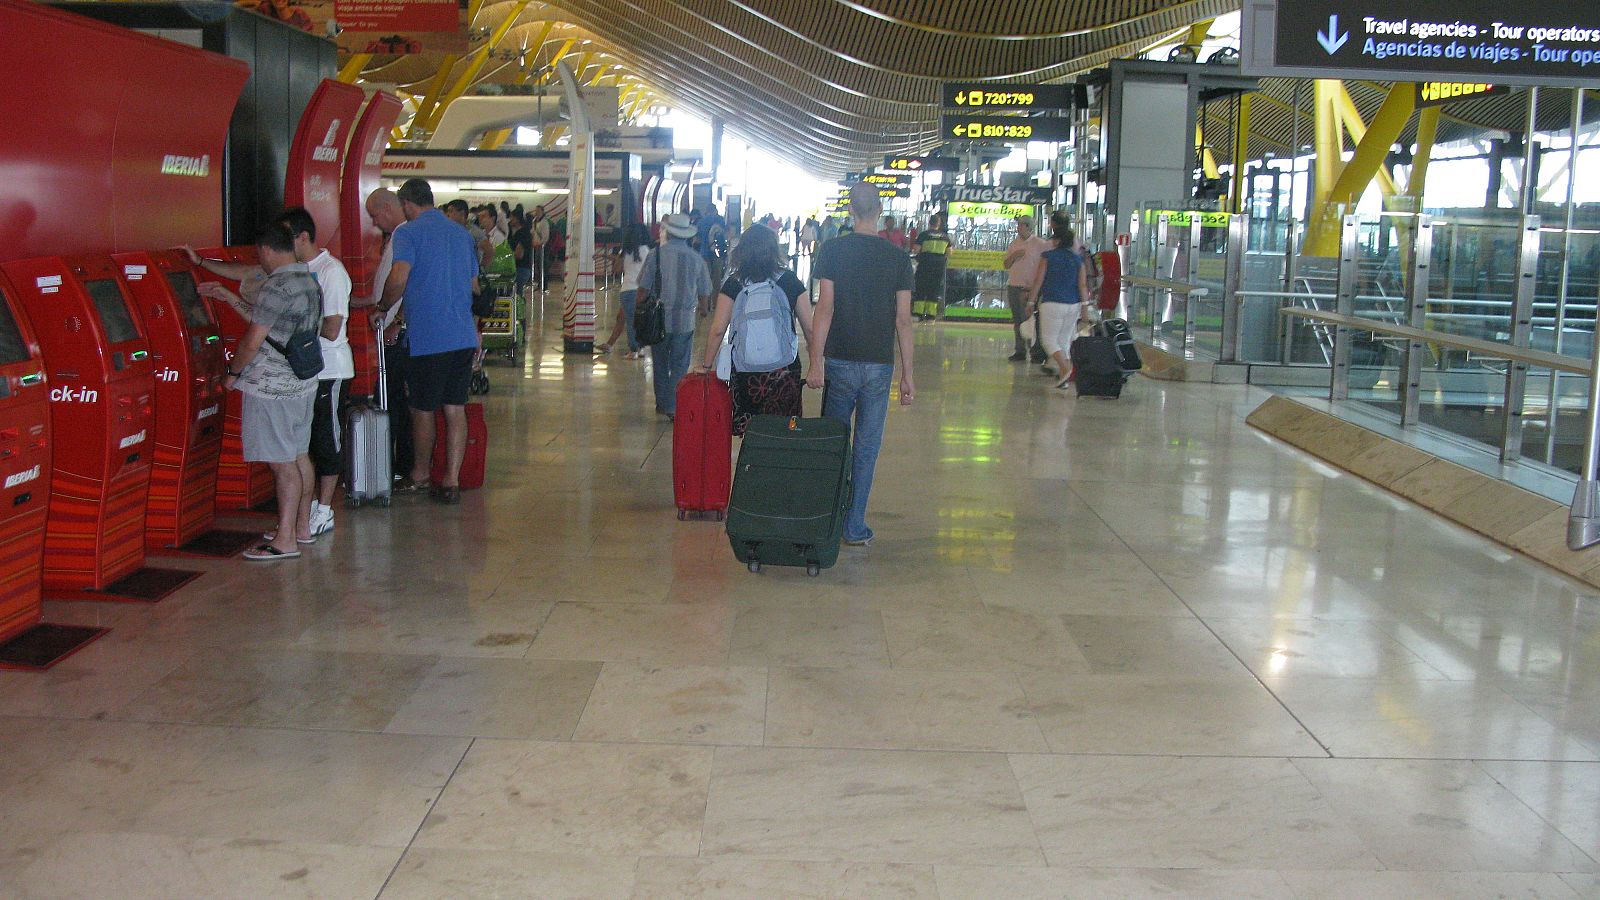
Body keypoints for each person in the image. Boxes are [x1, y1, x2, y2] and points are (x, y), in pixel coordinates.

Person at [201, 223, 321, 560]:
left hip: (271, 387)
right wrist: (228, 298)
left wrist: (232, 373)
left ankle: (284, 541)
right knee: (298, 455)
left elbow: (254, 339)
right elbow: (271, 326)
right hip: (302, 381)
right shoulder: (307, 280)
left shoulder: (276, 285)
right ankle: (300, 528)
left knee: (282, 465)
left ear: (267, 251)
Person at [806, 181, 915, 548]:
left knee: (835, 442)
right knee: (866, 445)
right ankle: (854, 526)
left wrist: (816, 361)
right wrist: (908, 375)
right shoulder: (898, 258)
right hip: (878, 365)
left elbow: (825, 308)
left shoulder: (833, 250)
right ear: (880, 211)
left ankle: (828, 518)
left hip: (838, 358)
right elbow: (903, 320)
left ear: (850, 210)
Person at [375, 177, 480, 504]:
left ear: (406, 204)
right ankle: (450, 481)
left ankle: (420, 475)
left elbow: (399, 277)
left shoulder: (408, 232)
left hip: (429, 338)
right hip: (462, 334)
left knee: (421, 409)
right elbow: (474, 284)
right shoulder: (461, 234)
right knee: (454, 408)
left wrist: (382, 308)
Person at [276, 207, 352, 538]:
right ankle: (303, 514)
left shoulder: (330, 272)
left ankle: (324, 509)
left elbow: (333, 327)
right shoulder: (292, 270)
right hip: (302, 370)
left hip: (329, 370)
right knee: (301, 443)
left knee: (326, 439)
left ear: (303, 237)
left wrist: (294, 323)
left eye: (286, 238)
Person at [695, 224, 815, 435]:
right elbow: (810, 330)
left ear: (742, 251)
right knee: (785, 431)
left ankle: (753, 466)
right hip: (784, 371)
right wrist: (816, 365)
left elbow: (717, 330)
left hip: (746, 373)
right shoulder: (789, 281)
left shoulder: (734, 283)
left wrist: (706, 366)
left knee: (752, 433)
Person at [362, 188, 414, 483]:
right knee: (393, 398)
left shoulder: (404, 235)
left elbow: (405, 282)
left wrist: (396, 321)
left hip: (397, 332)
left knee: (395, 399)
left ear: (386, 208)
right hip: (392, 325)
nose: (374, 222)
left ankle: (400, 465)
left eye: (374, 215)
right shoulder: (398, 235)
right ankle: (398, 463)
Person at [638, 213, 710, 420]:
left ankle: (663, 403)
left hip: (658, 319)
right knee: (679, 364)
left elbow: (643, 288)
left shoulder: (655, 255)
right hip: (685, 321)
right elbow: (704, 291)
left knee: (659, 362)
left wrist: (636, 311)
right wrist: (703, 309)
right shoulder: (697, 259)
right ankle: (673, 406)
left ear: (668, 232)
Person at [1029, 216, 1091, 390]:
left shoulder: (1048, 256)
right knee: (1064, 341)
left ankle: (1065, 369)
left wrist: (1030, 301)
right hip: (1073, 305)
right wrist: (1085, 308)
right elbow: (1083, 285)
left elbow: (1038, 281)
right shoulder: (1078, 260)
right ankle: (1063, 378)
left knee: (1048, 341)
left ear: (1056, 241)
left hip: (1052, 303)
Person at [597, 223, 653, 359]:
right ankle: (637, 348)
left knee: (629, 321)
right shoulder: (647, 250)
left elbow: (617, 269)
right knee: (633, 320)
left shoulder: (626, 251)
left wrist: (611, 258)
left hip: (627, 290)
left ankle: (633, 350)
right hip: (642, 290)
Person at [1003, 215, 1051, 362]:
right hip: (1014, 286)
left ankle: (1036, 352)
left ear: (1029, 227)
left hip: (1031, 289)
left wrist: (1035, 289)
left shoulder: (1040, 244)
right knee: (1018, 320)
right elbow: (1006, 264)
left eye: (1021, 225)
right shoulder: (1014, 244)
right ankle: (1020, 350)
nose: (1018, 228)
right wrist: (1014, 256)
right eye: (1018, 225)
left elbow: (1045, 267)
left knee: (1033, 320)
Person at [911, 211, 950, 320]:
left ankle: (918, 313)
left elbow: (916, 249)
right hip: (938, 267)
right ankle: (930, 314)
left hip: (924, 266)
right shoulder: (945, 237)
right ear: (939, 223)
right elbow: (950, 252)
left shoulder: (924, 235)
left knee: (921, 288)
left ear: (929, 222)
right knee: (934, 289)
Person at [445, 199, 493, 270]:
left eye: (451, 211)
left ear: (462, 213)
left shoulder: (473, 231)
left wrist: (480, 269)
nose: (448, 214)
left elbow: (489, 251)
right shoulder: (451, 230)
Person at [696, 204, 729, 300]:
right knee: (717, 278)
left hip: (704, 253)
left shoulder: (701, 222)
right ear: (715, 210)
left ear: (707, 210)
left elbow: (697, 239)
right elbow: (726, 235)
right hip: (718, 253)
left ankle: (706, 301)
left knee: (706, 278)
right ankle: (716, 301)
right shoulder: (721, 220)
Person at [507, 211, 532, 300]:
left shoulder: (521, 233)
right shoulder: (524, 232)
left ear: (517, 219)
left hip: (520, 268)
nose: (510, 220)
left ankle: (517, 312)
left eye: (511, 218)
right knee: (518, 294)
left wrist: (506, 255)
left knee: (517, 296)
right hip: (524, 268)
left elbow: (519, 254)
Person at [528, 205, 551, 292]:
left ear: (542, 211)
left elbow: (545, 236)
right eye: (536, 210)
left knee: (543, 266)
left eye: (538, 211)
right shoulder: (535, 221)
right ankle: (540, 284)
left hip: (542, 247)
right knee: (538, 265)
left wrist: (540, 243)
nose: (536, 212)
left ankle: (544, 286)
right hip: (536, 246)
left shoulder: (544, 222)